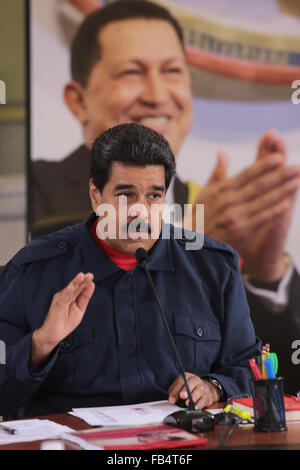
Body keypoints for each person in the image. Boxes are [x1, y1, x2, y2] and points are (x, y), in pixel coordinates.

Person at [30, 0, 300, 394]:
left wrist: (265, 274)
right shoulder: (38, 188)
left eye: (173, 71)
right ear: (77, 99)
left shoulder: (209, 207)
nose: (158, 95)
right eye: (132, 72)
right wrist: (187, 237)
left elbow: (264, 374)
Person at [0, 123, 260, 419]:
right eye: (126, 195)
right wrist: (41, 344)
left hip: (179, 441)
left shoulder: (213, 266)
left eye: (153, 196)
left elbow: (248, 367)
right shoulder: (34, 271)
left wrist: (213, 387)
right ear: (96, 196)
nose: (141, 211)